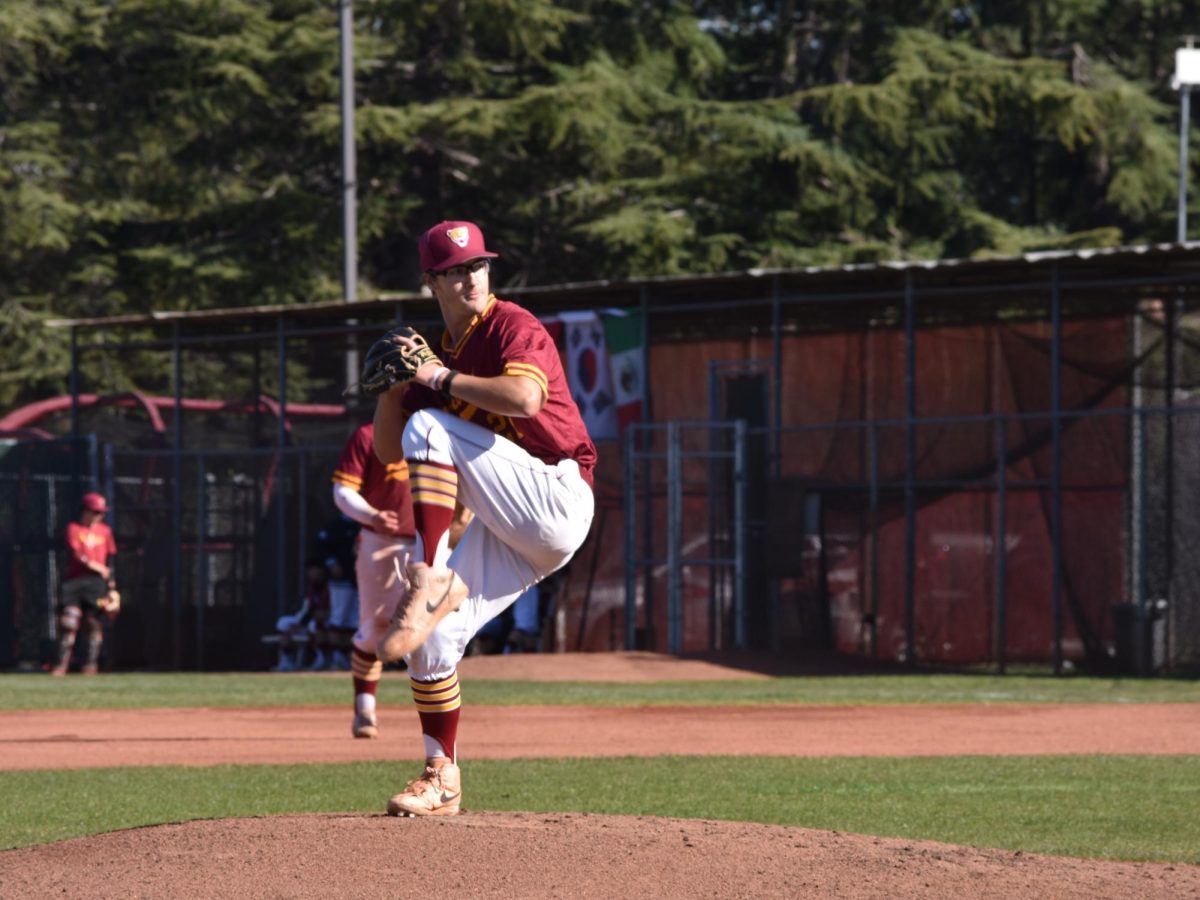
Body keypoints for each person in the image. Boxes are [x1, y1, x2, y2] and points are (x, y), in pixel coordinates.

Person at [370, 219, 596, 817]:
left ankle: (431, 571)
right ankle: (440, 775)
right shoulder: (433, 355)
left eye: (478, 265)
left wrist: (435, 379)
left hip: (556, 495)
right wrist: (393, 388)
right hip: (510, 527)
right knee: (434, 640)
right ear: (431, 282)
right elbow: (389, 452)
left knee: (432, 424)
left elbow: (525, 400)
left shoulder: (511, 325)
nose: (470, 277)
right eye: (455, 270)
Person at [331, 421, 418, 736]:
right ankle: (365, 709)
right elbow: (342, 491)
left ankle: (438, 720)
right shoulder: (370, 434)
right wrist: (371, 516)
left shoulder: (442, 429)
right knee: (376, 627)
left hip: (434, 542)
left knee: (436, 632)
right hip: (382, 542)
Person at [51, 491, 119, 676]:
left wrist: (111, 585)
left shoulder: (105, 531)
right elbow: (77, 555)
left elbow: (110, 558)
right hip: (74, 582)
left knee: (94, 623)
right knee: (69, 622)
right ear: (85, 511)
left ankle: (90, 665)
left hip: (96, 585)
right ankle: (60, 665)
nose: (99, 516)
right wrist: (99, 568)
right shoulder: (74, 528)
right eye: (95, 512)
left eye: (101, 513)